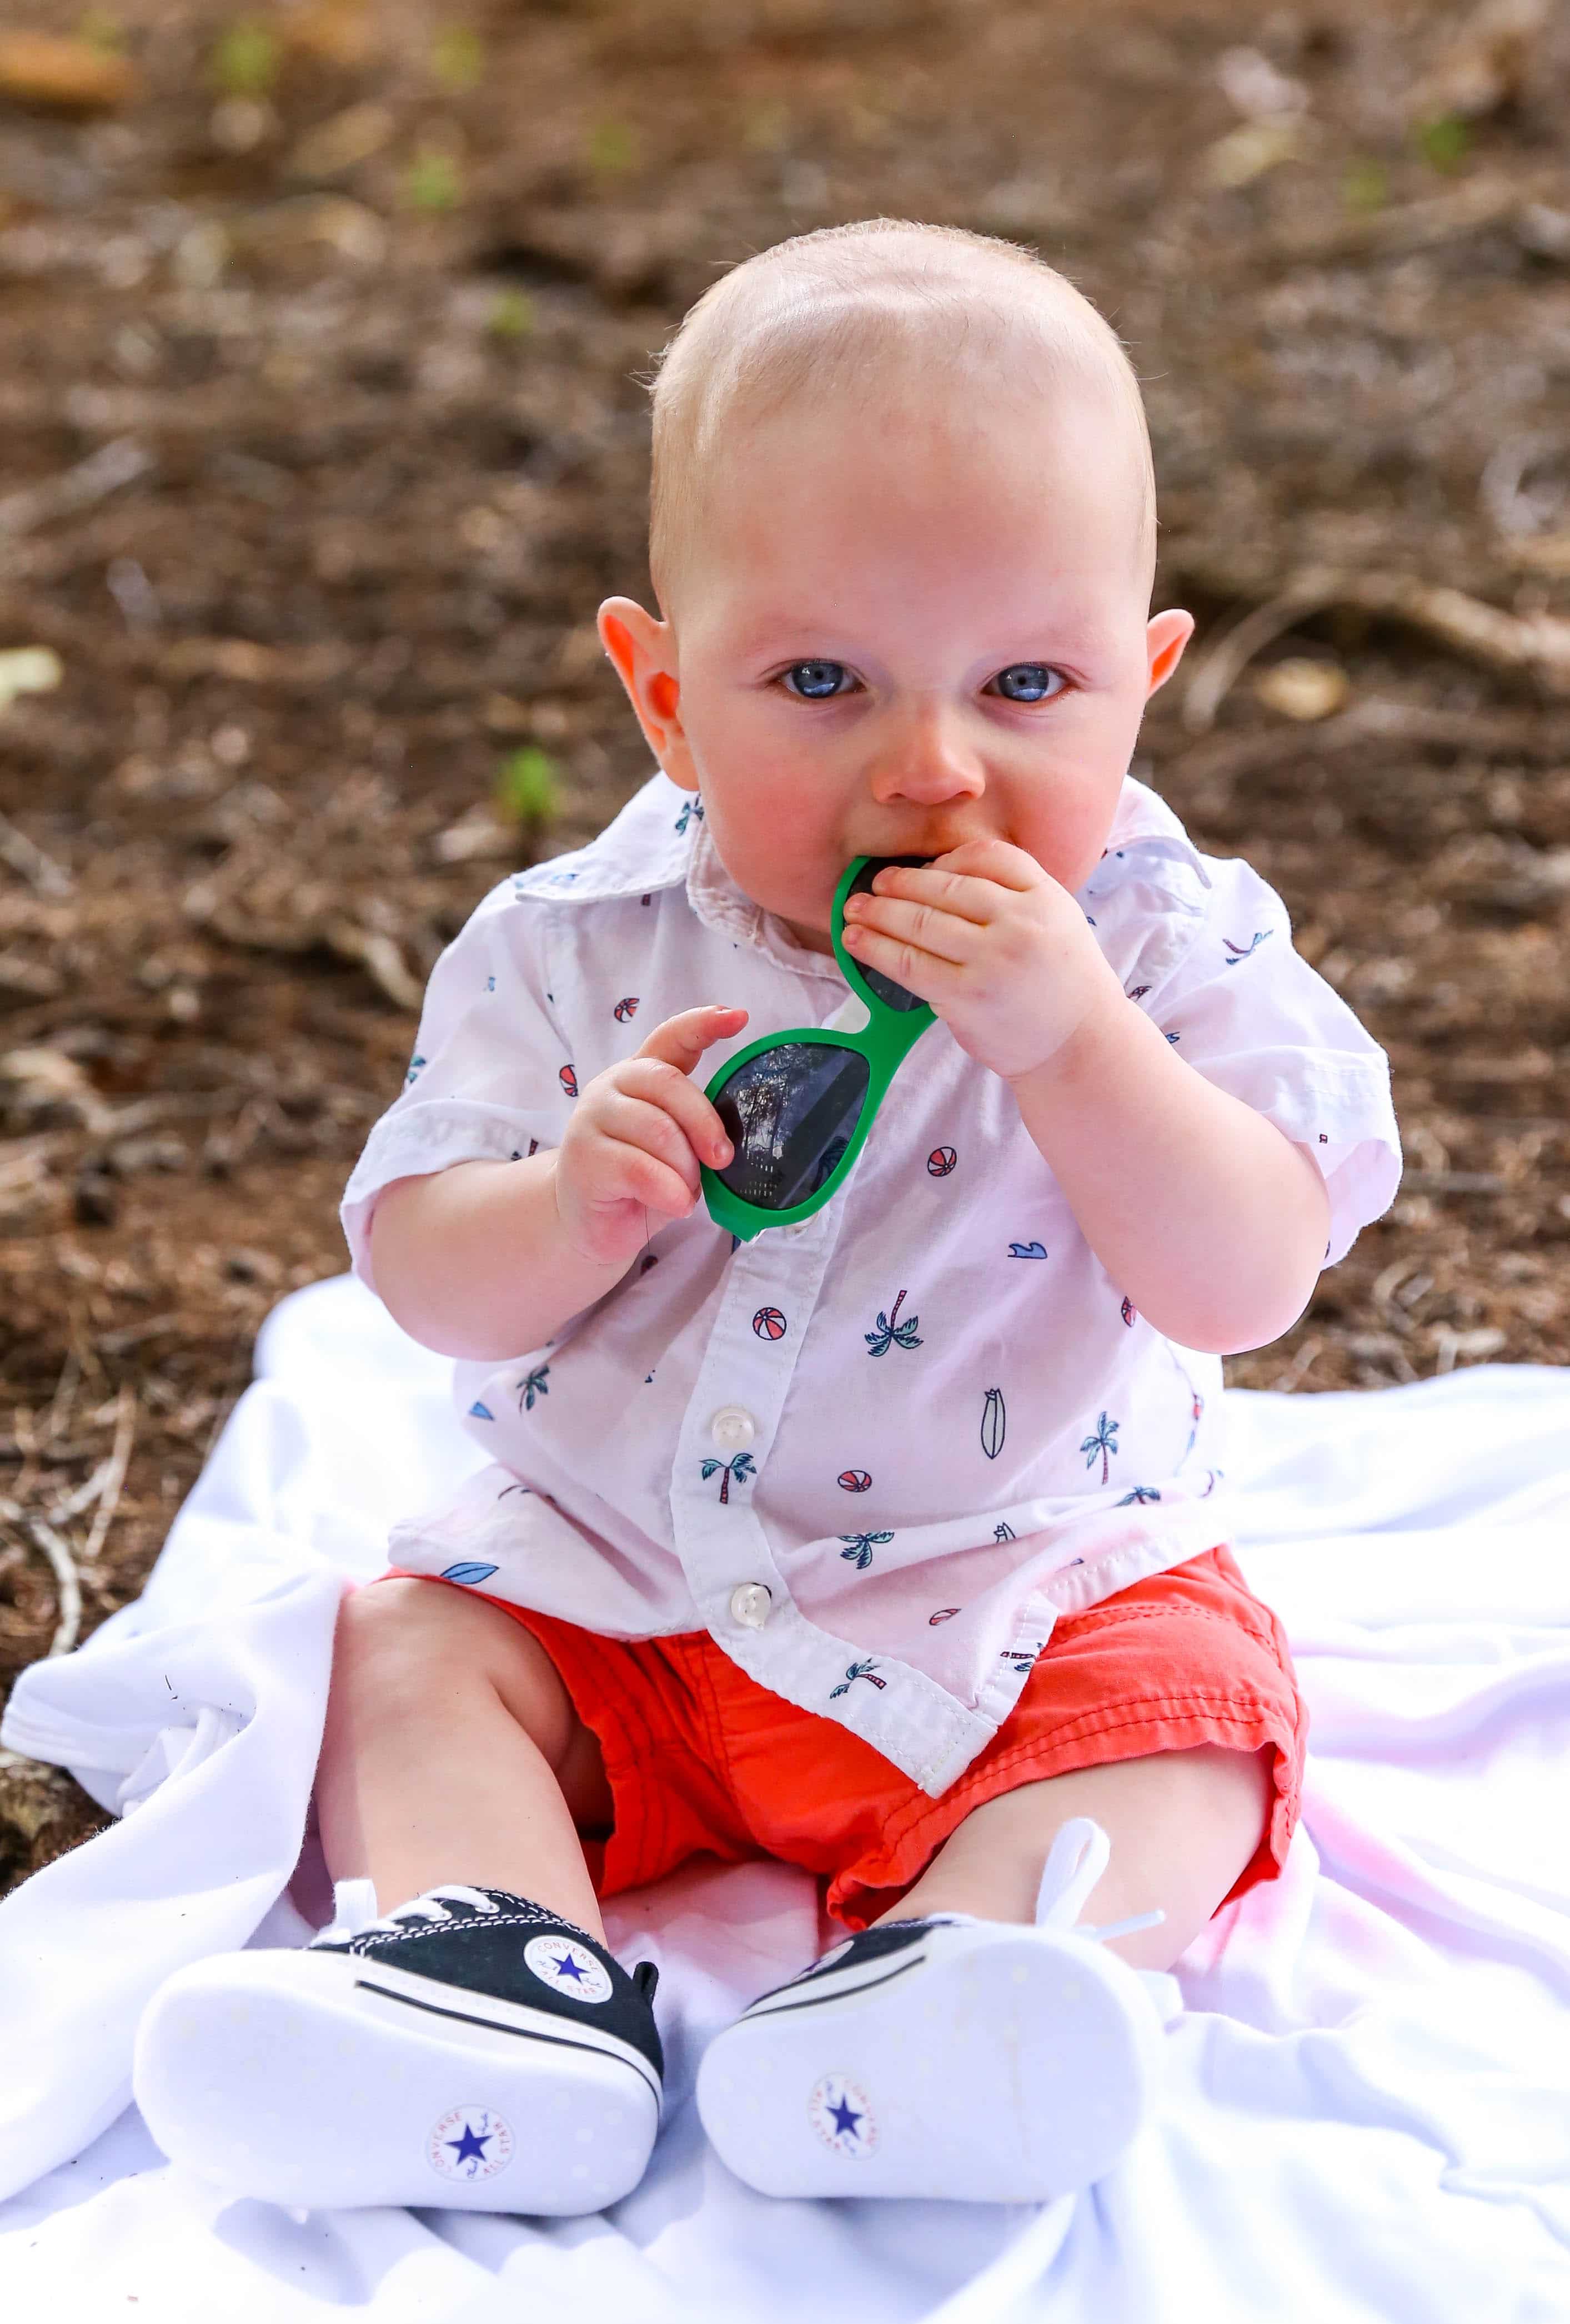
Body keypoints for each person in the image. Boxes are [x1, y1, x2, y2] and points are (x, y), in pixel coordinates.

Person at [131, 216, 1401, 2217]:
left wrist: (1077, 1051)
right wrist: (569, 1204)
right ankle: (497, 1981)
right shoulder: (577, 947)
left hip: (1011, 1594)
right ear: (659, 693)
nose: (934, 769)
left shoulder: (1166, 947)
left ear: (1141, 683)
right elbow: (425, 1273)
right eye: (818, 680)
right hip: (617, 1596)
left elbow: (1239, 1279)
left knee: (1190, 1725)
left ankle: (962, 1989)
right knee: (402, 1654)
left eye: (1028, 682)